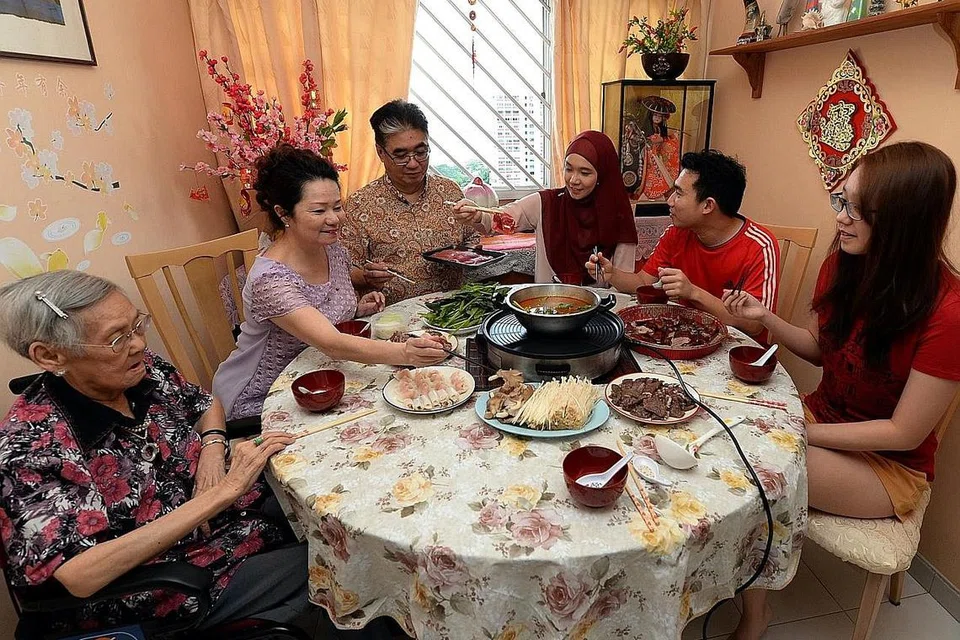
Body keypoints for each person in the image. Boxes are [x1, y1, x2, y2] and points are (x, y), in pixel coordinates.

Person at [723, 141, 960, 640]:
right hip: (821, 420)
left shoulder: (948, 311)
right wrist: (764, 318)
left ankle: (755, 613)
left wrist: (797, 434)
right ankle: (734, 575)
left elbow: (903, 432)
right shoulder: (845, 264)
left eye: (856, 209)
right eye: (841, 200)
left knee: (758, 463)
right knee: (724, 418)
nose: (841, 218)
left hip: (888, 464)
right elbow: (818, 349)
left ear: (904, 221)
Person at [0, 270, 304, 633]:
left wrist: (212, 448)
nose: (138, 345)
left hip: (233, 519)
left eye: (136, 326)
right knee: (332, 560)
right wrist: (222, 493)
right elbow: (82, 574)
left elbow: (206, 404)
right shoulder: (30, 448)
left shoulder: (138, 371)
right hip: (168, 582)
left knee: (327, 500)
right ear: (50, 356)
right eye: (116, 338)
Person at [212, 144, 446, 422]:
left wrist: (357, 308)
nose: (334, 219)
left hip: (325, 376)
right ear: (284, 213)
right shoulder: (270, 279)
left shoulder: (332, 249)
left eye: (337, 207)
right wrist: (406, 352)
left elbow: (318, 314)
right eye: (319, 211)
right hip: (265, 397)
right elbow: (332, 343)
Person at [589, 149, 779, 338]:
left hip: (736, 350)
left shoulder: (759, 246)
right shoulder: (676, 233)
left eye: (678, 194)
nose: (669, 201)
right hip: (686, 337)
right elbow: (642, 282)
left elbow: (755, 325)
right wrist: (612, 273)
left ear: (708, 205)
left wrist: (693, 293)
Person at [452, 130, 638, 284]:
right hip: (548, 309)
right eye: (568, 168)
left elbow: (623, 282)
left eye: (585, 172)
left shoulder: (618, 215)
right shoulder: (548, 202)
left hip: (598, 314)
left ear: (603, 175)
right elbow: (501, 217)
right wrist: (476, 215)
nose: (573, 180)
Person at [341, 99, 467, 302]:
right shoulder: (359, 205)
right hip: (394, 321)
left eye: (421, 151)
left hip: (453, 310)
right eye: (401, 155)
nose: (413, 163)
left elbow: (473, 241)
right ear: (381, 152)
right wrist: (366, 276)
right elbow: (345, 269)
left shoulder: (450, 192)